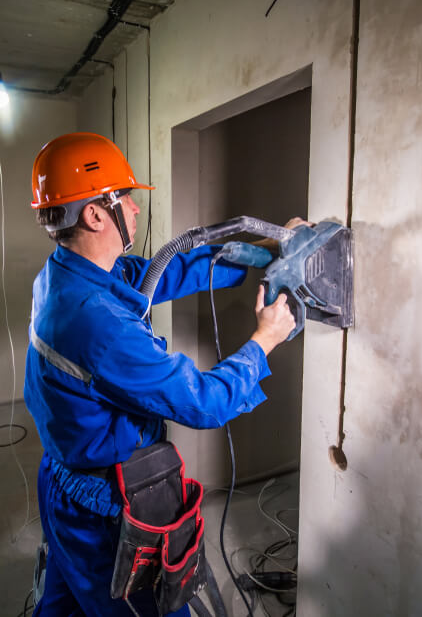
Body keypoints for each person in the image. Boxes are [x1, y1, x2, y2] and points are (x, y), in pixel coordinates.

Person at [23, 132, 298, 616]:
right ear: (94, 213)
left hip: (61, 480)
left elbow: (161, 272)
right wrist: (266, 339)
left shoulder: (64, 275)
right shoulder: (98, 324)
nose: (134, 208)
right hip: (105, 507)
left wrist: (269, 250)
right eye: (125, 197)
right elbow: (205, 402)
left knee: (63, 606)